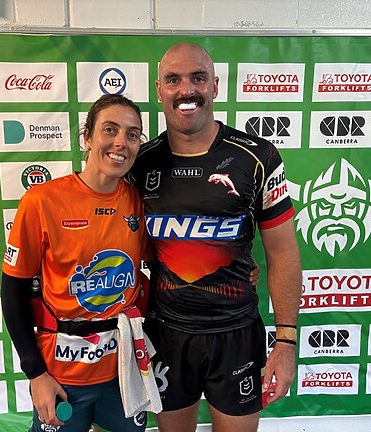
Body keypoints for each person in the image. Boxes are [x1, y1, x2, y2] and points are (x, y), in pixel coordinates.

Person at [127, 41, 303, 432]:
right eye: (174, 79)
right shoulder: (141, 163)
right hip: (166, 335)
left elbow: (283, 253)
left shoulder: (257, 157)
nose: (186, 90)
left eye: (198, 78)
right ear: (159, 90)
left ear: (215, 86)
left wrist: (286, 342)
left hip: (237, 335)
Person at [1, 94, 152, 432]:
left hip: (125, 373)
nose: (121, 142)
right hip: (62, 375)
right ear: (87, 137)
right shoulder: (42, 201)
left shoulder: (139, 202)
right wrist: (36, 374)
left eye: (132, 134)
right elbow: (13, 290)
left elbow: (165, 265)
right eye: (110, 130)